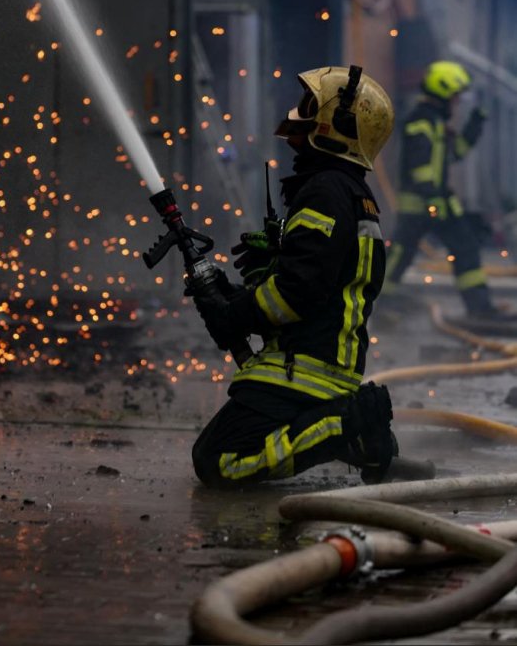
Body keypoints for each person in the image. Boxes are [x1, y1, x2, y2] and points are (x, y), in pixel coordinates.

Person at [187, 64, 397, 487]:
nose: (299, 114)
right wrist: (239, 290)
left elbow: (297, 292)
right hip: (315, 362)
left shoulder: (325, 190)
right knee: (217, 453)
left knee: (219, 461)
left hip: (304, 369)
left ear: (337, 125)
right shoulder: (351, 192)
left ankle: (347, 424)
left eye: (310, 106)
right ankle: (355, 436)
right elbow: (317, 277)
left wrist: (236, 314)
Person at [383, 59, 499, 321]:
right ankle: (378, 301)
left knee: (465, 246)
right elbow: (419, 163)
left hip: (437, 201)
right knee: (401, 253)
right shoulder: (420, 121)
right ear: (443, 90)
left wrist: (475, 124)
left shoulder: (437, 123)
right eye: (456, 96)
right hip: (418, 203)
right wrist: (432, 196)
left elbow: (454, 154)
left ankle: (480, 308)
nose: (457, 102)